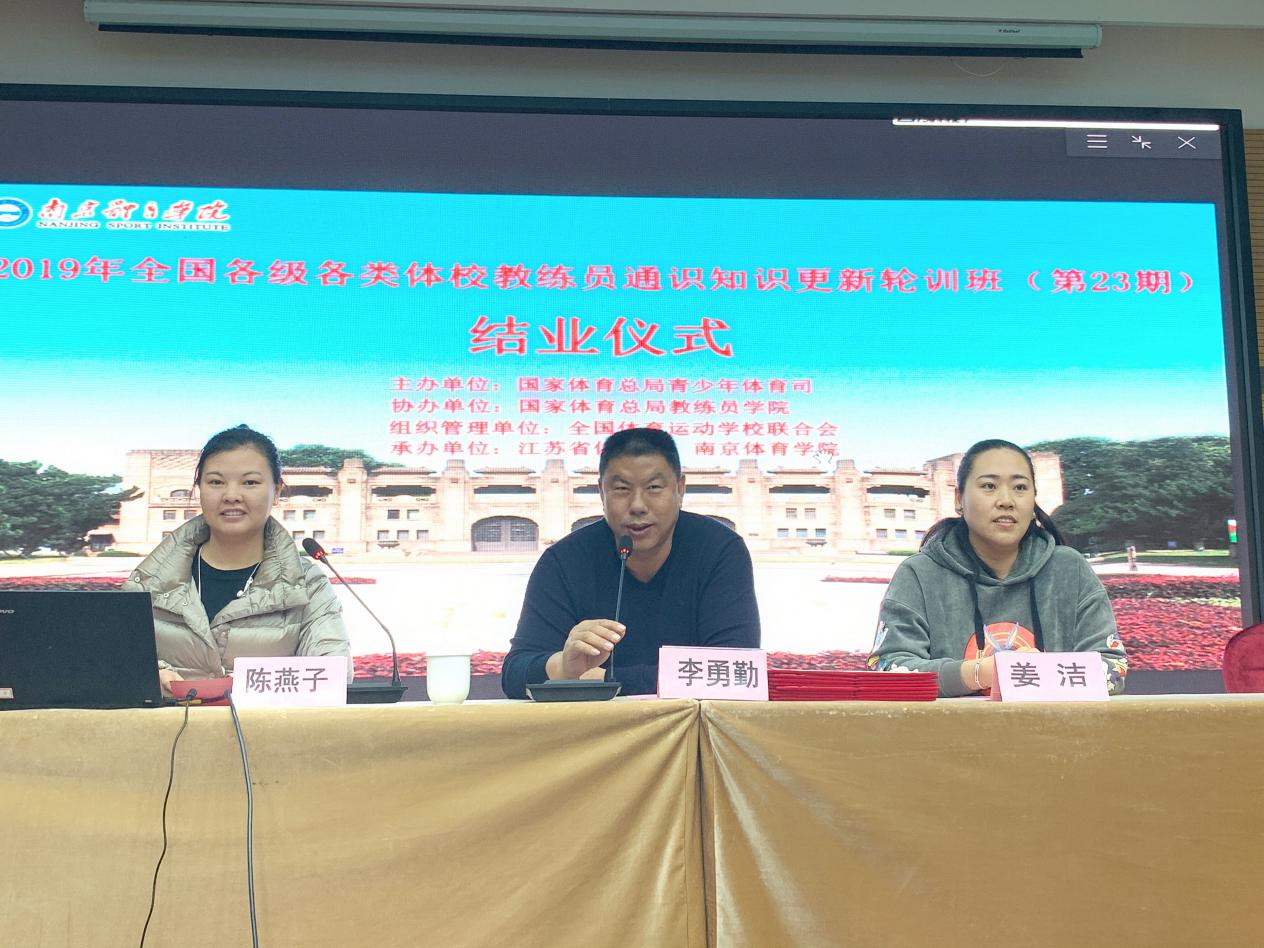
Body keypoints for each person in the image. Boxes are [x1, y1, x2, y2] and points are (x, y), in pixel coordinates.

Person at [501, 427, 761, 698]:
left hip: (692, 723)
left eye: (654, 488)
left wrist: (608, 680)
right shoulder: (564, 560)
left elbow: (737, 668)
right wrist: (564, 667)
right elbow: (514, 674)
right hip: (597, 725)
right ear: (602, 492)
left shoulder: (719, 549)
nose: (638, 505)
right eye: (622, 489)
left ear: (680, 488)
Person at [869, 439, 1127, 696]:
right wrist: (981, 673)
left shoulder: (1070, 569)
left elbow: (1112, 669)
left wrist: (1031, 672)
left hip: (1052, 724)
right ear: (959, 499)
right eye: (989, 486)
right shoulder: (919, 574)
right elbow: (888, 668)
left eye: (1020, 487)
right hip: (952, 725)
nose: (1006, 500)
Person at [123, 425, 352, 694]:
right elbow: (114, 657)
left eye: (250, 482)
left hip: (264, 723)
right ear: (199, 489)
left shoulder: (307, 585)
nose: (231, 496)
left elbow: (331, 674)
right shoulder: (150, 579)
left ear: (277, 490)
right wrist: (150, 673)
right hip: (169, 721)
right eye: (216, 482)